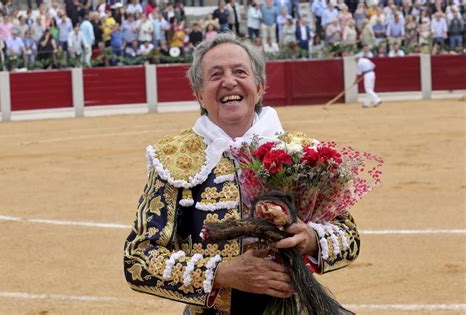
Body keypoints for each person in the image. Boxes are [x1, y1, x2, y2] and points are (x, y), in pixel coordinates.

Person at [123, 33, 361, 314]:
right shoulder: (173, 159)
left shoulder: (301, 151)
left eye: (240, 72)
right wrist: (220, 274)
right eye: (215, 75)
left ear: (259, 87)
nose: (229, 82)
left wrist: (310, 239)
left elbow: (349, 236)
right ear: (199, 93)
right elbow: (137, 258)